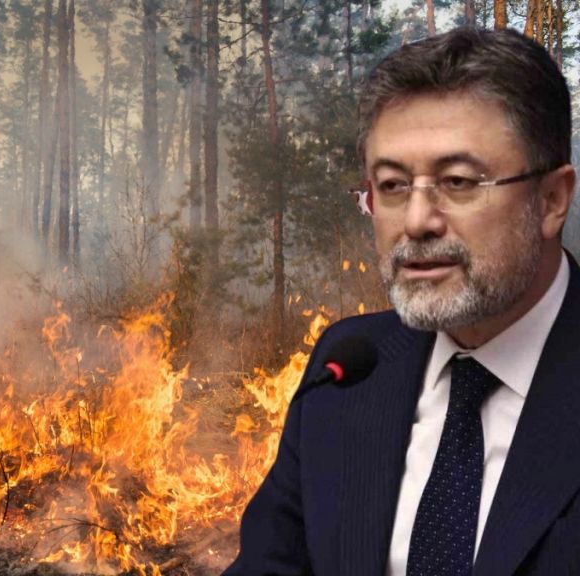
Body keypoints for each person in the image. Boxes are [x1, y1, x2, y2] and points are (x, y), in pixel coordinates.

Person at [223, 27, 580, 576]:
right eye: (391, 186)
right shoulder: (345, 369)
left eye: (458, 182)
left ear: (552, 200)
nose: (415, 222)